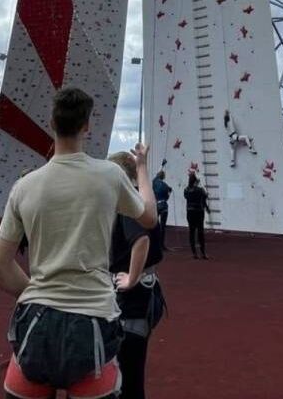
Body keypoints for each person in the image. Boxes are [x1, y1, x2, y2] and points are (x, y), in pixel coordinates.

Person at [0, 87, 158, 399]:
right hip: (92, 323)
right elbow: (149, 218)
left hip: (35, 325)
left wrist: (40, 292)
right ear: (86, 127)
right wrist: (143, 168)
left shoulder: (24, 187)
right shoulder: (109, 174)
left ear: (51, 123)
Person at [109, 151, 167, 399]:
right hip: (147, 293)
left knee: (126, 375)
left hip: (131, 299)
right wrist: (142, 164)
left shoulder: (126, 205)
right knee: (133, 372)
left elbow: (140, 239)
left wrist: (130, 278)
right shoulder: (144, 200)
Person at [183, 171, 210, 260]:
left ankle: (194, 253)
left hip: (190, 211)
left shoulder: (186, 190)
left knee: (191, 231)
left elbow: (186, 196)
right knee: (200, 232)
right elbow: (205, 196)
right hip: (199, 211)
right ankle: (203, 252)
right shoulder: (199, 190)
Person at [151, 168, 172, 251]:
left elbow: (156, 176)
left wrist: (162, 166)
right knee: (163, 226)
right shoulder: (165, 186)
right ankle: (161, 244)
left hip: (156, 205)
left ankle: (154, 243)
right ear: (163, 177)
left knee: (155, 225)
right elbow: (167, 198)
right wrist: (169, 192)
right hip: (163, 205)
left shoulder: (154, 182)